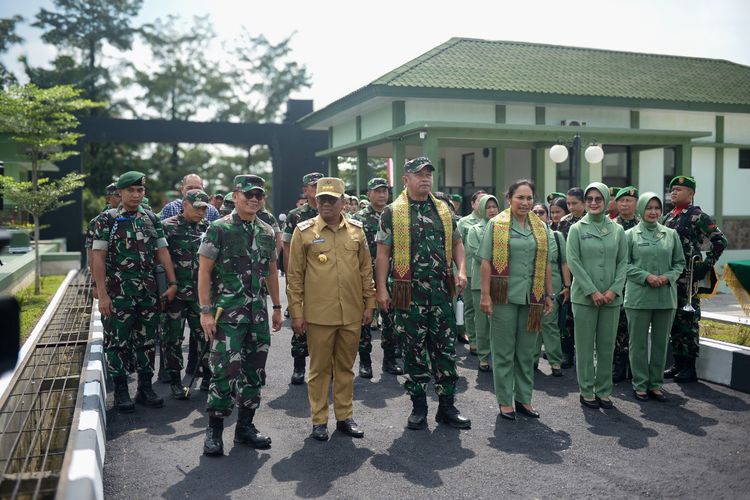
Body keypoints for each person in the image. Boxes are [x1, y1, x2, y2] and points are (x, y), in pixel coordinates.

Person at [376, 157, 471, 430]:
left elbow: (457, 244)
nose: (425, 178)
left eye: (428, 173)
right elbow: (382, 254)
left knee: (444, 350)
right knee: (413, 351)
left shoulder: (443, 210)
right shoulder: (392, 212)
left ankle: (447, 407)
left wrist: (461, 270)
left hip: (441, 292)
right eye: (419, 174)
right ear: (406, 180)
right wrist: (381, 288)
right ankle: (419, 407)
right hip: (408, 294)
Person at [197, 174, 283, 456]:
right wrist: (206, 313)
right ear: (235, 196)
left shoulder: (267, 231)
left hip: (257, 315)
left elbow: (271, 271)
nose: (254, 199)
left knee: (254, 372)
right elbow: (205, 272)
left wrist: (277, 308)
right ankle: (215, 431)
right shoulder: (218, 229)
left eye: (259, 195)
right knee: (223, 372)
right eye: (248, 194)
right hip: (228, 315)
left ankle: (245, 427)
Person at [286, 177, 376, 442]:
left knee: (346, 368)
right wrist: (297, 312)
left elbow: (365, 270)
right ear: (316, 201)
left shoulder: (357, 231)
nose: (326, 204)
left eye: (332, 200)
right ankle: (319, 420)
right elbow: (294, 276)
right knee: (319, 370)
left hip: (351, 312)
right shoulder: (303, 232)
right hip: (318, 315)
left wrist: (369, 304)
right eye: (322, 199)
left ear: (342, 202)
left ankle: (345, 416)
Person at [91, 171, 178, 412]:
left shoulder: (151, 218)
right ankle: (121, 392)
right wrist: (102, 293)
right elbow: (98, 258)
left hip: (148, 293)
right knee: (117, 342)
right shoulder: (106, 220)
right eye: (131, 190)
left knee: (147, 342)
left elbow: (162, 252)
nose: (136, 194)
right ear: (120, 192)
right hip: (118, 293)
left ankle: (144, 388)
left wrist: (172, 283)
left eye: (140, 190)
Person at [478, 181, 554, 420]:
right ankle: (505, 401)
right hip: (504, 297)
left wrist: (549, 295)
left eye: (529, 198)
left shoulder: (540, 227)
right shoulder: (496, 224)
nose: (525, 203)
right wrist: (485, 295)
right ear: (509, 198)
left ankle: (524, 400)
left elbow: (547, 263)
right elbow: (486, 261)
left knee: (526, 352)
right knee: (503, 351)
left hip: (532, 297)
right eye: (520, 197)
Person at [566, 182, 627, 410]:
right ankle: (586, 390)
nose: (593, 203)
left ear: (605, 201)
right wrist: (592, 290)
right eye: (589, 199)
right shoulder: (577, 229)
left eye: (598, 199)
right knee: (583, 346)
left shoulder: (618, 230)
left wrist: (613, 290)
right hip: (584, 298)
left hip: (611, 298)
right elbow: (573, 261)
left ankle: (604, 390)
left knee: (606, 346)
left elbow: (623, 263)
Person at [663, 175, 727, 382]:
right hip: (671, 276)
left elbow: (720, 240)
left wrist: (706, 265)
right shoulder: (668, 217)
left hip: (688, 279)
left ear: (691, 194)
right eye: (672, 189)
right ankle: (678, 363)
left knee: (688, 321)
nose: (674, 192)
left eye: (679, 189)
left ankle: (690, 367)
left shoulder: (698, 216)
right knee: (673, 321)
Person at [625, 192, 685, 401]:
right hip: (638, 297)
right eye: (648, 208)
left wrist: (667, 277)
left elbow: (680, 263)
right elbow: (623, 265)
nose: (653, 212)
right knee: (638, 343)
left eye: (657, 208)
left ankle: (656, 384)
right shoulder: (630, 235)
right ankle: (640, 384)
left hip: (665, 297)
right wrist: (646, 276)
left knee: (661, 343)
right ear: (641, 209)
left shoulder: (670, 234)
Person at [161, 189, 211, 399]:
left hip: (199, 296)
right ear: (184, 205)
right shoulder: (168, 227)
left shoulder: (208, 228)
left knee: (205, 336)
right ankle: (174, 381)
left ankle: (208, 376)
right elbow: (161, 260)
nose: (201, 212)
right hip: (177, 295)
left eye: (203, 208)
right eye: (196, 207)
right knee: (172, 338)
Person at [353, 177, 403, 378]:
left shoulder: (395, 215)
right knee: (364, 319)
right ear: (369, 194)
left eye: (385, 191)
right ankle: (365, 361)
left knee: (390, 319)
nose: (382, 194)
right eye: (378, 191)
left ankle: (389, 360)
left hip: (391, 275)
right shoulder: (357, 219)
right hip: (364, 276)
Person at [283, 172, 324, 384]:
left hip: (325, 280)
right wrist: (292, 278)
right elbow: (287, 248)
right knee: (300, 323)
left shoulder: (333, 211)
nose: (317, 190)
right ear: (306, 190)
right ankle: (299, 366)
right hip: (303, 278)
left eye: (321, 185)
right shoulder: (295, 216)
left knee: (327, 324)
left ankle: (325, 368)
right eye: (313, 186)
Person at [531, 203, 570, 377]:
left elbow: (564, 262)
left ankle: (555, 361)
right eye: (535, 212)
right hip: (530, 283)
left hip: (553, 284)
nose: (538, 214)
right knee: (533, 323)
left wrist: (567, 286)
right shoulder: (526, 234)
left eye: (541, 212)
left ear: (547, 216)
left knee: (550, 323)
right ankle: (531, 360)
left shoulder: (556, 236)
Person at [465, 194, 499, 371]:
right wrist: (501, 260)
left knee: (499, 321)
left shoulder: (503, 228)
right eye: (488, 207)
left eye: (494, 207)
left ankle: (499, 356)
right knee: (482, 322)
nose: (492, 210)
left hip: (501, 281)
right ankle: (484, 357)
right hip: (480, 281)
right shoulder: (475, 229)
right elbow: (478, 254)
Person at [612, 186, 640, 382]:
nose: (624, 204)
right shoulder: (611, 225)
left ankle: (635, 367)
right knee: (617, 326)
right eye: (621, 200)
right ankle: (618, 365)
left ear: (636, 203)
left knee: (635, 327)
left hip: (638, 284)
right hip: (616, 284)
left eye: (629, 200)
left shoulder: (644, 224)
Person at [457, 190, 487, 355]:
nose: (484, 205)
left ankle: (485, 341)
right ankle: (473, 340)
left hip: (489, 272)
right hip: (470, 269)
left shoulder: (494, 222)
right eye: (480, 201)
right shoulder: (464, 222)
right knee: (470, 308)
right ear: (473, 204)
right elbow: (458, 246)